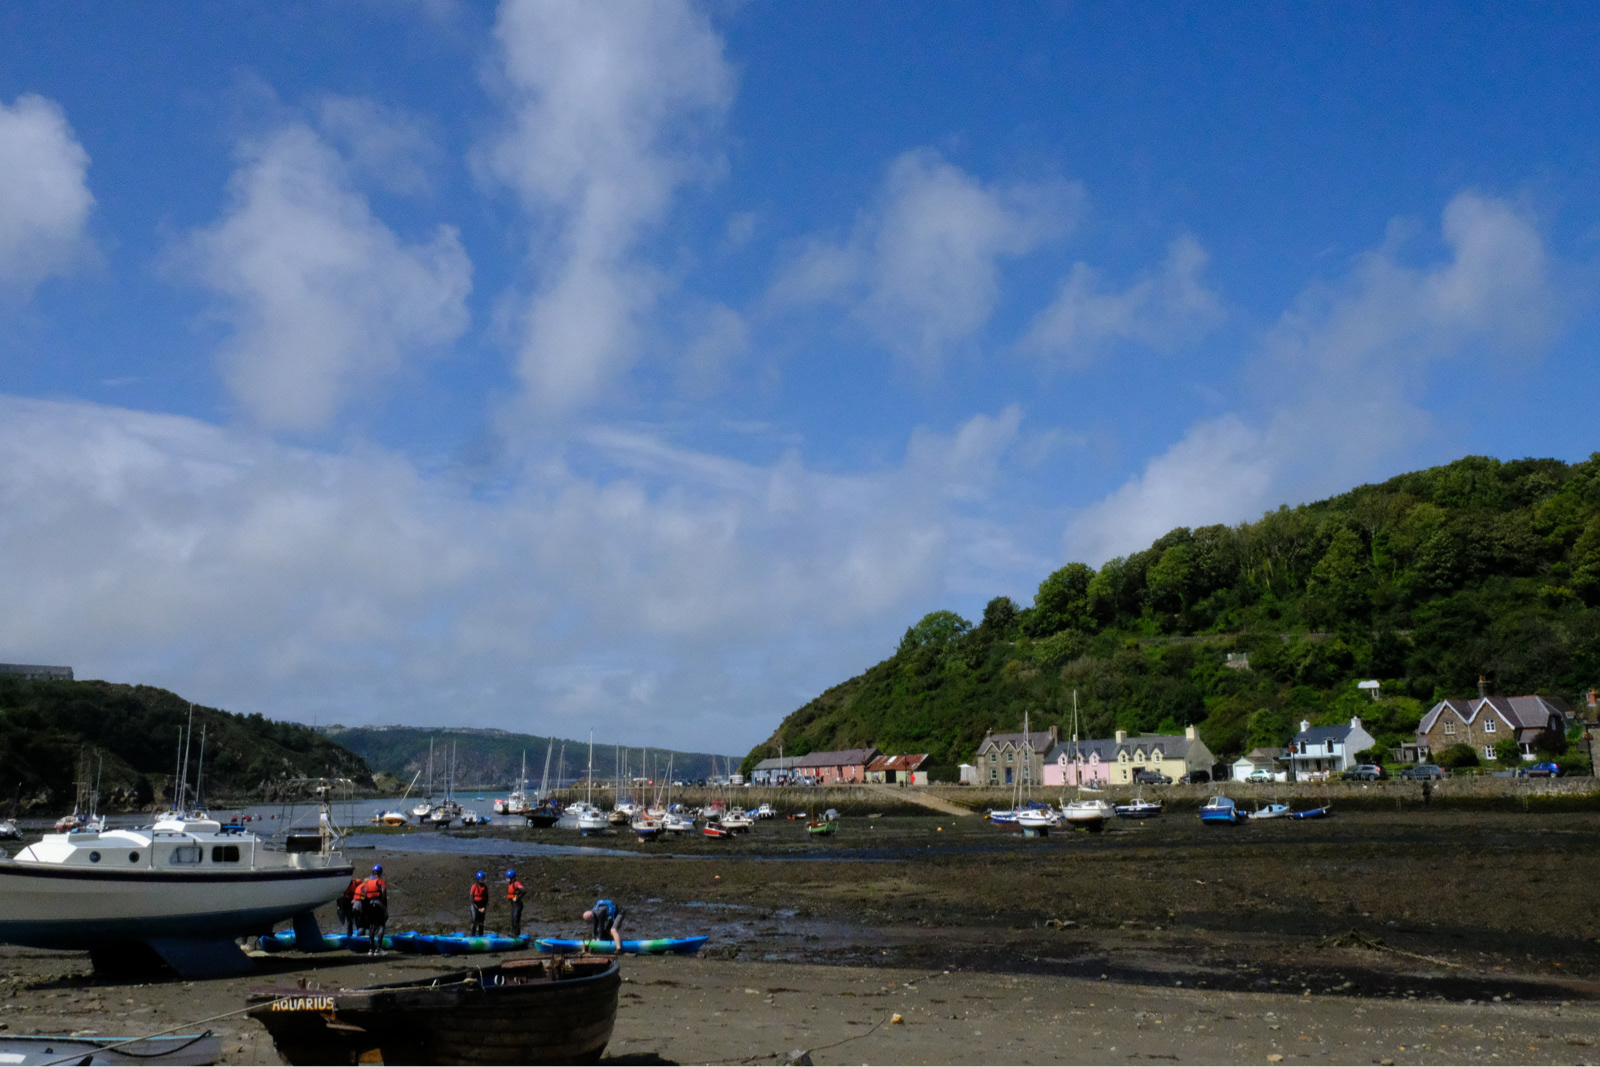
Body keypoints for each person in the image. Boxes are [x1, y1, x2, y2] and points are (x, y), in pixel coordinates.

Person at [357, 864, 388, 955]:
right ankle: (379, 948)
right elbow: (384, 893)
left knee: (372, 926)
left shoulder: (367, 883)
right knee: (381, 925)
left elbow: (365, 895)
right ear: (380, 872)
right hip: (379, 905)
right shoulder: (381, 882)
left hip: (370, 905)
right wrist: (384, 907)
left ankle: (371, 949)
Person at [337, 872, 361, 937]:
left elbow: (362, 892)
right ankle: (349, 934)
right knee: (349, 919)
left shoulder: (356, 883)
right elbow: (339, 898)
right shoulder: (342, 886)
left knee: (357, 918)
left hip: (356, 901)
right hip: (347, 902)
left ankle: (360, 933)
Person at [505, 869, 526, 937]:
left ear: (512, 878)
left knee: (516, 920)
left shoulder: (516, 883)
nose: (507, 880)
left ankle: (516, 934)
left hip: (518, 905)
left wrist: (517, 898)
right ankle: (514, 933)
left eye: (508, 878)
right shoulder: (511, 884)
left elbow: (524, 891)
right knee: (513, 920)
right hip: (514, 905)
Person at [469, 870, 489, 936]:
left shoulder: (485, 888)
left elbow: (486, 899)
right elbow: (471, 899)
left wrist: (484, 907)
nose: (482, 881)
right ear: (477, 880)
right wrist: (478, 909)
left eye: (483, 880)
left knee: (481, 921)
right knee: (474, 920)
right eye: (480, 880)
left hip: (482, 905)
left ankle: (481, 935)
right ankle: (472, 935)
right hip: (475, 905)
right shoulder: (474, 887)